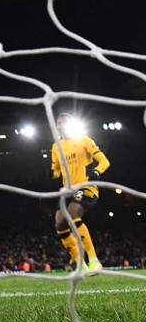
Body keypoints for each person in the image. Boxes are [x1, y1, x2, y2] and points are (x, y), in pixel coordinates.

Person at [52, 112, 110, 274]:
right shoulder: (56, 146)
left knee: (72, 214)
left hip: (86, 187)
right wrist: (52, 173)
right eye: (58, 123)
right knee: (60, 223)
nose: (61, 125)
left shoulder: (84, 140)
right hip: (67, 190)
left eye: (64, 122)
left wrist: (97, 171)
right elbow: (56, 169)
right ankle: (80, 265)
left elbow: (104, 161)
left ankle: (94, 261)